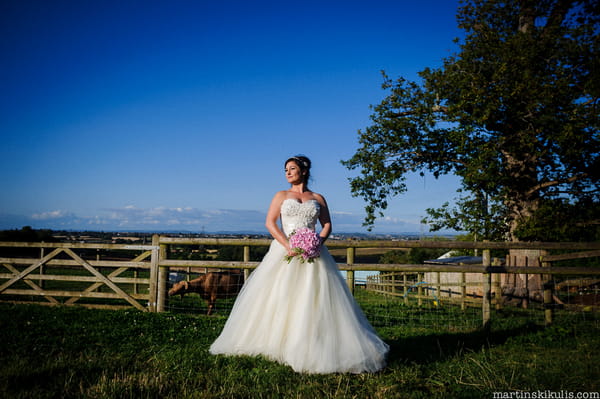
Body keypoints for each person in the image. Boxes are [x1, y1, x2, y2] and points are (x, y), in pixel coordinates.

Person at [209, 155, 389, 374]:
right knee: (281, 295)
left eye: (292, 168)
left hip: (314, 254)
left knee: (314, 296)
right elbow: (270, 223)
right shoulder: (281, 195)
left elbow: (327, 224)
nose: (287, 173)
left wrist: (317, 242)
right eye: (285, 169)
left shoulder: (318, 198)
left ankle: (316, 341)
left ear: (304, 171)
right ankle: (277, 341)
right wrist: (288, 246)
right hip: (285, 251)